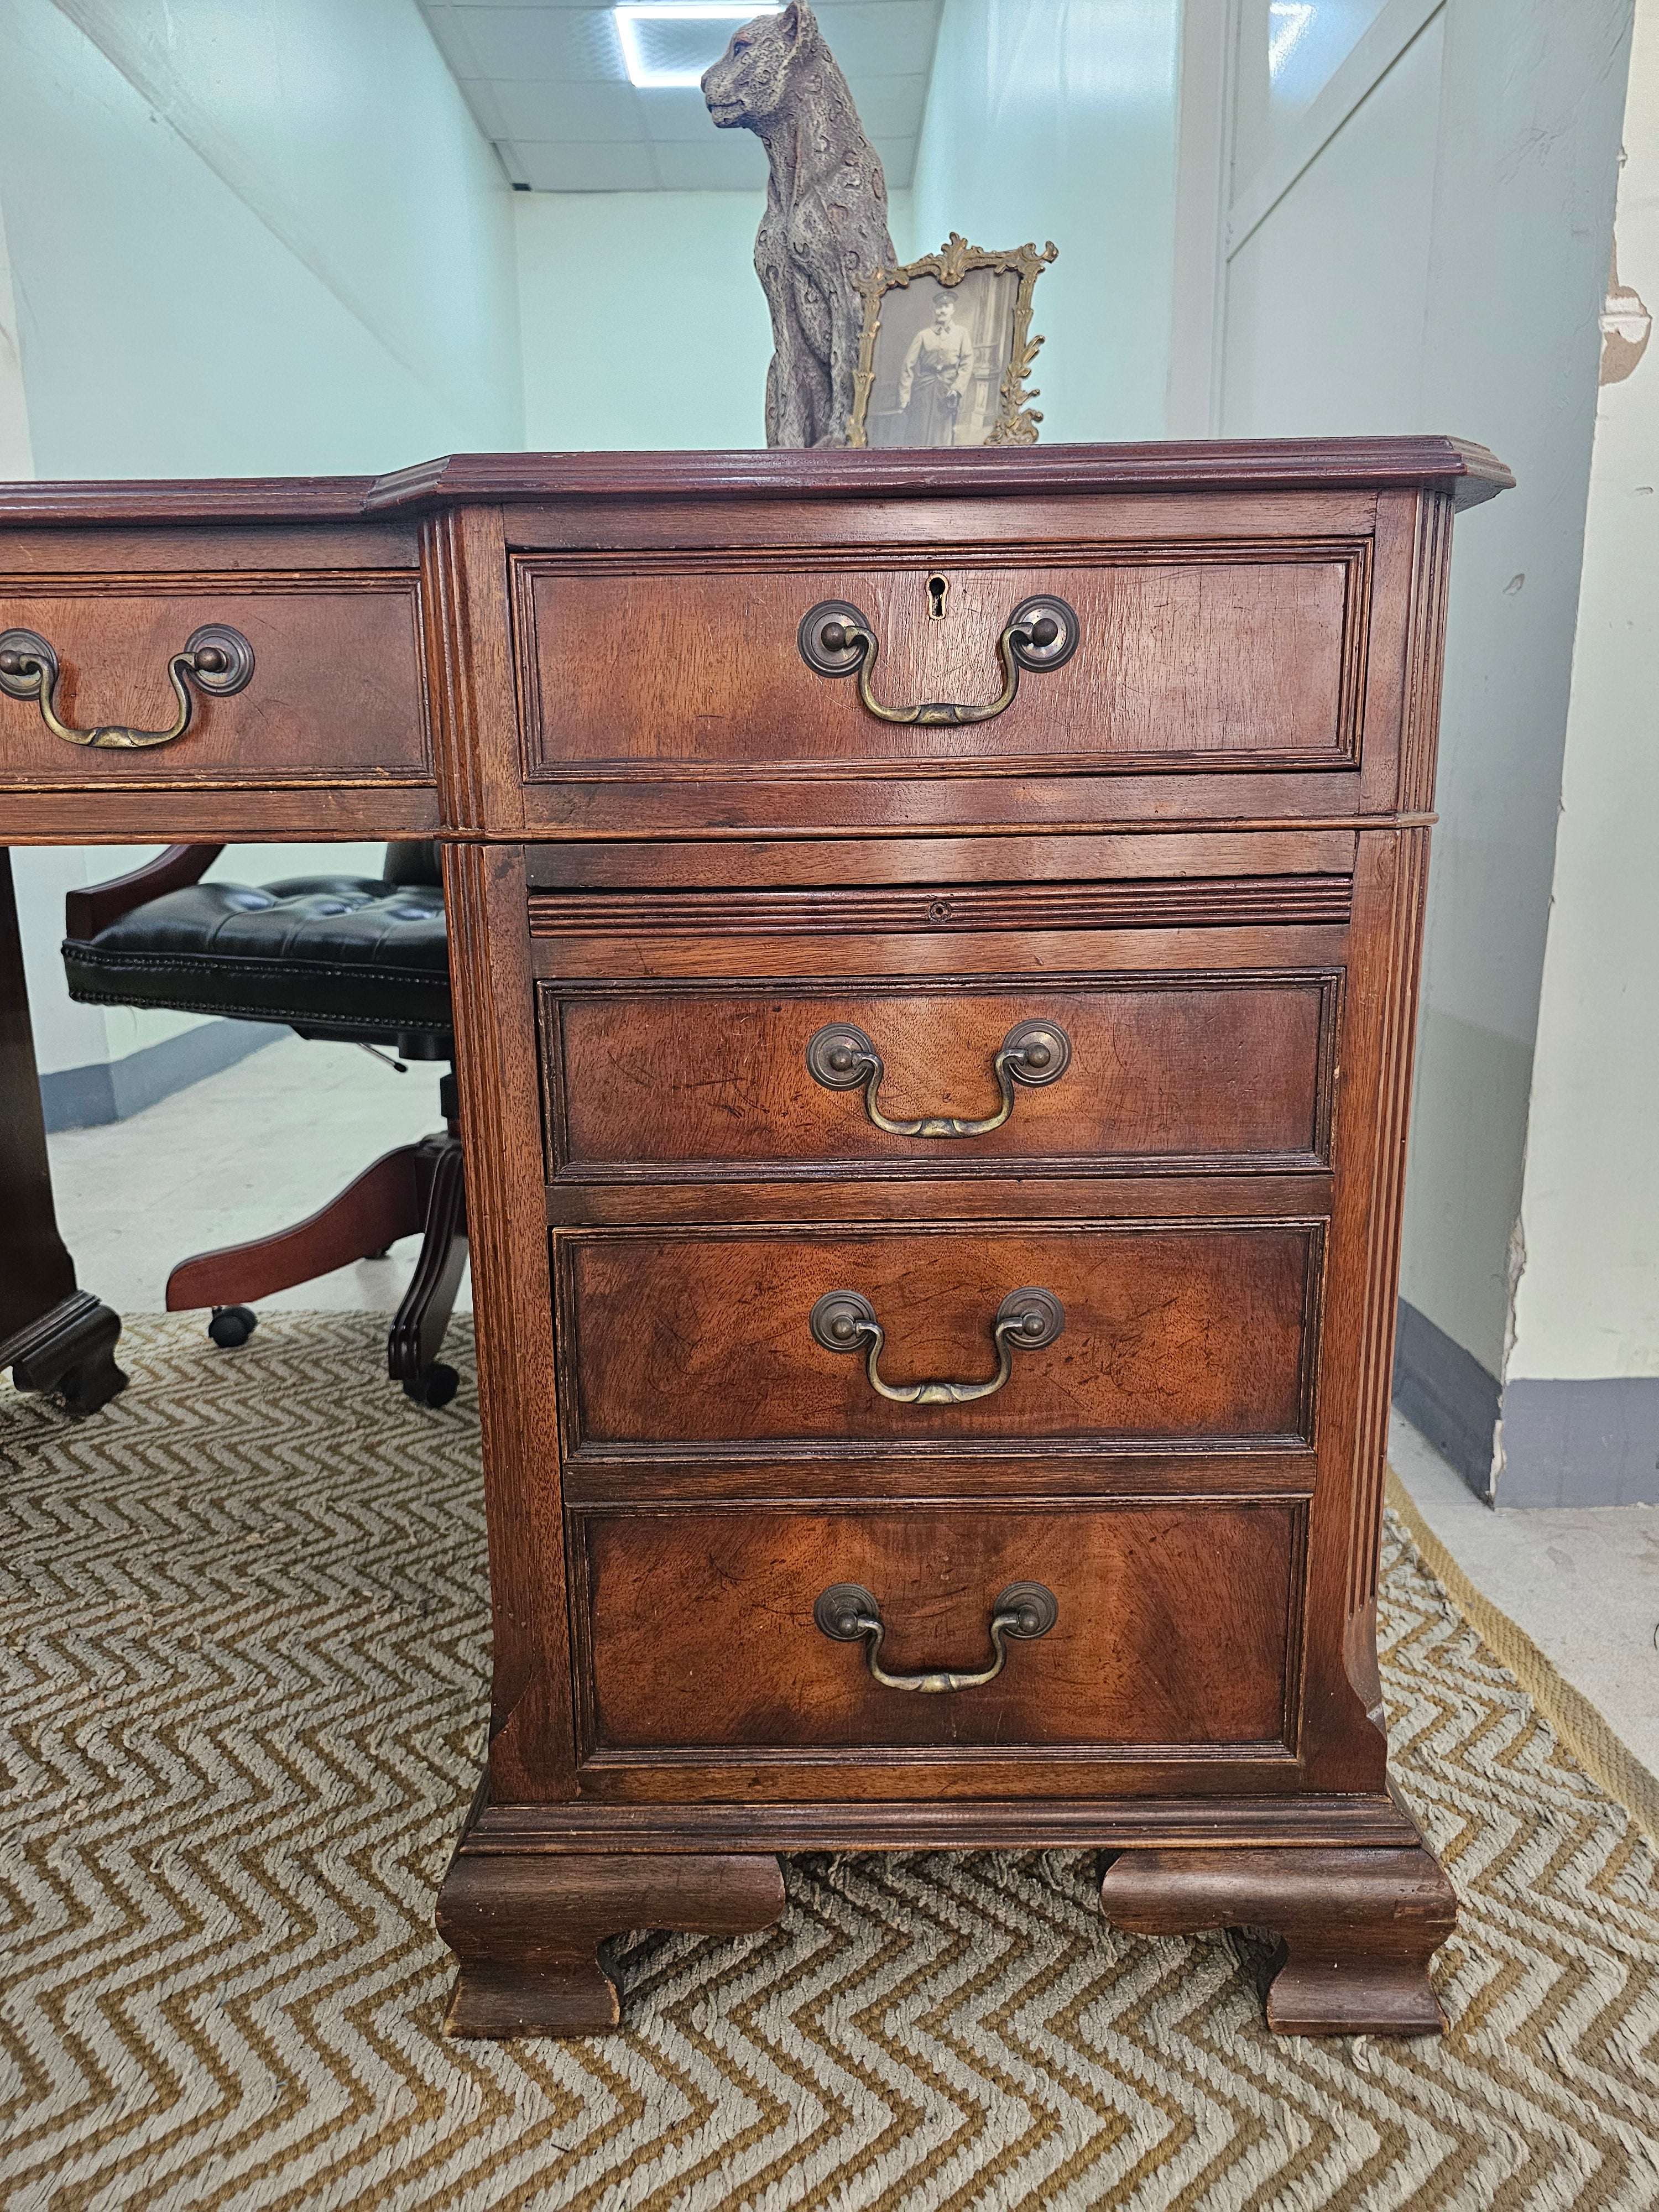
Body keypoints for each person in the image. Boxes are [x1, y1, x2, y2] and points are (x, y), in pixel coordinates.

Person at [897, 290, 977, 446]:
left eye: (946, 306)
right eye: (939, 306)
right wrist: (905, 397)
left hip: (947, 392)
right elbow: (908, 366)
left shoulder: (961, 334)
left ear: (953, 310)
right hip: (923, 391)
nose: (942, 310)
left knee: (943, 435)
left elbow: (967, 363)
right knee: (918, 431)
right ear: (935, 309)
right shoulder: (923, 335)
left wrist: (957, 389)